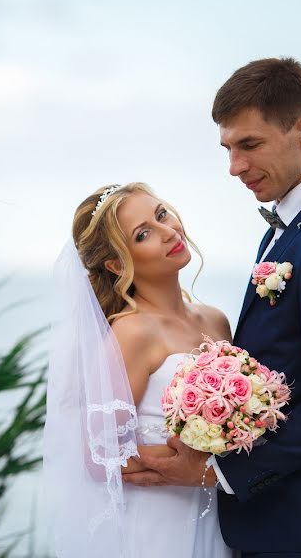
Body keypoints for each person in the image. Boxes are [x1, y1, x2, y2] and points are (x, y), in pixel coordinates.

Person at [123, 57, 301, 557]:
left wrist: (218, 470)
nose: (235, 167)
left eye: (250, 145)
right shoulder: (296, 226)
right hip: (285, 519)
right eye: (228, 148)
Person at [44, 182, 234, 557]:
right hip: (159, 522)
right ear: (116, 264)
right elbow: (100, 455)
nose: (168, 232)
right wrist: (195, 462)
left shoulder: (216, 321)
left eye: (161, 214)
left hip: (215, 515)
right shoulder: (132, 332)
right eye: (143, 234)